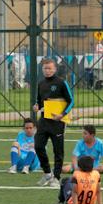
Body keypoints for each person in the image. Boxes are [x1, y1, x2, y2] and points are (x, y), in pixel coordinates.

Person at [33, 58, 74, 190]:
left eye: (50, 68)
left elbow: (71, 101)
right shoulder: (41, 84)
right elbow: (39, 101)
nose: (47, 70)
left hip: (58, 122)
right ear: (42, 69)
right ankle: (47, 173)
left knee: (58, 151)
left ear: (55, 69)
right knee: (38, 146)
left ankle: (56, 177)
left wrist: (62, 115)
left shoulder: (61, 83)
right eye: (45, 68)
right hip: (44, 121)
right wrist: (37, 106)